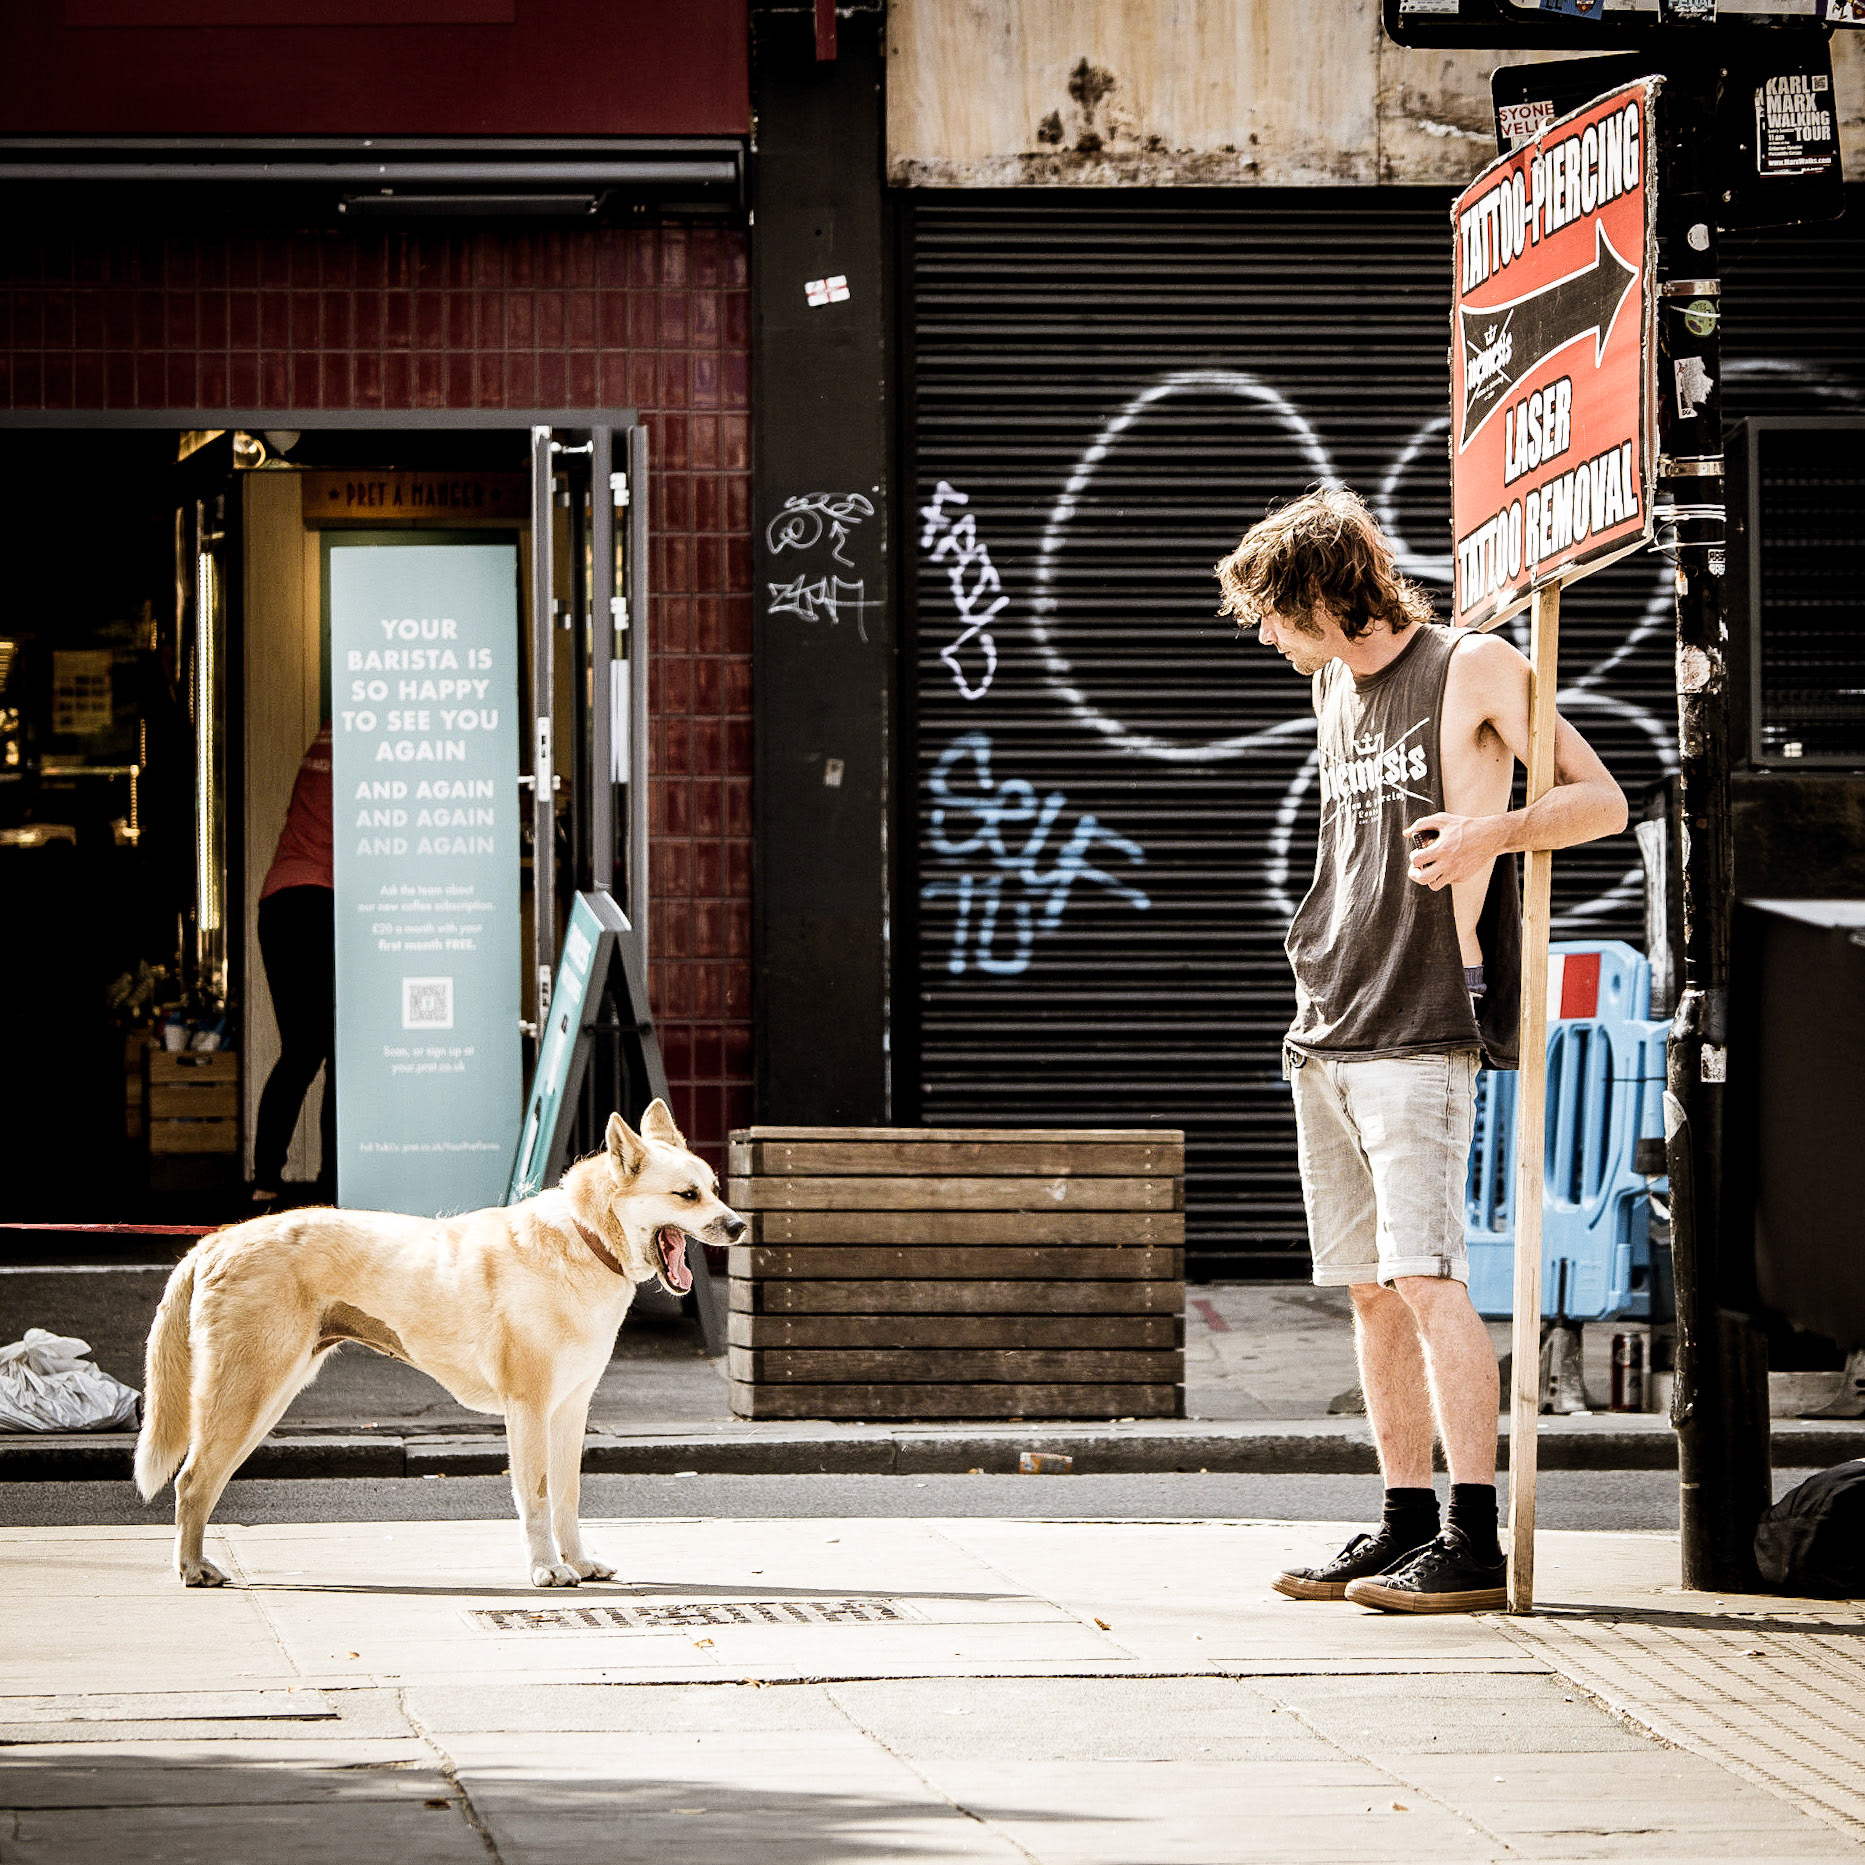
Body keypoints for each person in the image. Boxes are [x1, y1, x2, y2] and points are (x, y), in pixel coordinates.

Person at [1215, 487, 1626, 1613]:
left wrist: (1494, 829)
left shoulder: (1472, 666)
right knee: (1365, 1290)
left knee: (1425, 1276)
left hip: (1419, 1017)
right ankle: (1399, 1520)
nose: (1262, 636)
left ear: (1319, 591)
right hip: (1329, 1017)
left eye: (1269, 611)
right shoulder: (1331, 688)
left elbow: (1600, 799)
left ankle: (1470, 1537)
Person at [252, 720, 334, 1207]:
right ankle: (331, 1184)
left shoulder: (326, 736)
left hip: (280, 901)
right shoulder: (373, 741)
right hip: (319, 901)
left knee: (301, 1052)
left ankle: (265, 1180)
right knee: (339, 1054)